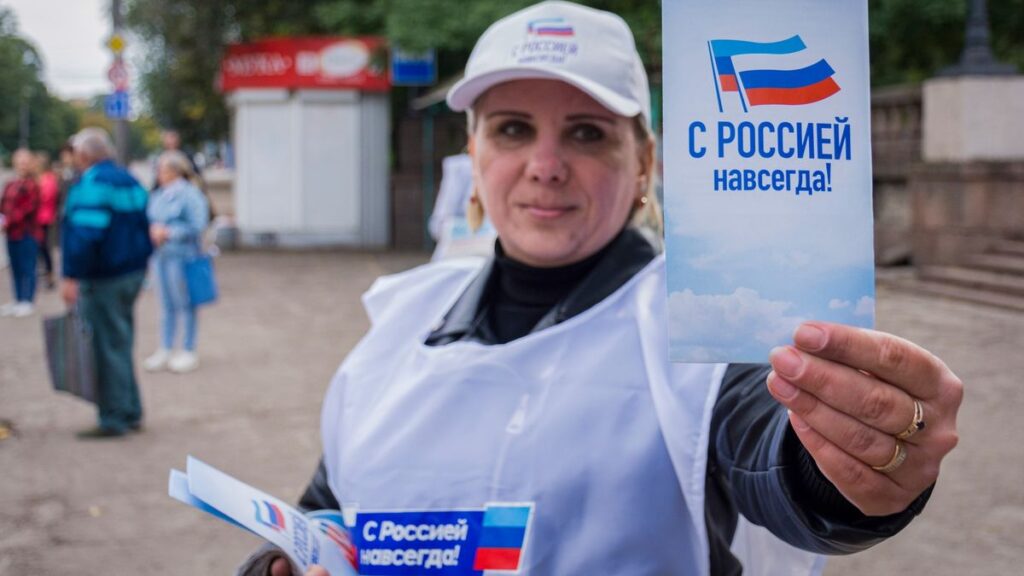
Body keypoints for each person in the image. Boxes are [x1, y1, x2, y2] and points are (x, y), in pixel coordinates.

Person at [239, 3, 963, 575]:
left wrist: (856, 458)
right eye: (512, 129)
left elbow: (776, 454)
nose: (545, 165)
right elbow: (328, 510)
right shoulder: (399, 324)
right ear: (474, 154)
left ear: (643, 162)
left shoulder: (703, 324)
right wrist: (282, 562)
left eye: (586, 133)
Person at [62, 128, 153, 439]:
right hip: (130, 274)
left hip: (103, 278)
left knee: (106, 347)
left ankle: (113, 418)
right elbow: (145, 226)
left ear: (84, 154)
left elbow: (86, 235)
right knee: (120, 343)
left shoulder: (93, 183)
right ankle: (130, 410)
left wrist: (71, 275)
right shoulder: (129, 179)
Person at [143, 150, 210, 374]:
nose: (159, 174)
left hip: (183, 256)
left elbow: (198, 224)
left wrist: (170, 232)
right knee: (165, 304)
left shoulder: (190, 194)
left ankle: (188, 349)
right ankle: (166, 347)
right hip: (160, 256)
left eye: (162, 170)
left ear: (175, 171)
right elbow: (150, 218)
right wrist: (153, 231)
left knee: (185, 302)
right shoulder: (159, 194)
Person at [0, 149, 43, 317]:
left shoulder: (33, 185)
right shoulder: (11, 183)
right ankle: (18, 299)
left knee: (28, 267)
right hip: (12, 233)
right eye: (20, 161)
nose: (22, 164)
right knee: (15, 267)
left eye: (25, 161)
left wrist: (7, 222)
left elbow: (27, 209)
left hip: (27, 232)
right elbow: (3, 205)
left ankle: (28, 300)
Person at [35, 151, 60, 290]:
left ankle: (49, 275)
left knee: (44, 248)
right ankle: (45, 274)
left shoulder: (48, 179)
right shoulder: (41, 179)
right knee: (40, 249)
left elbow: (45, 197)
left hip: (44, 218)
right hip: (39, 218)